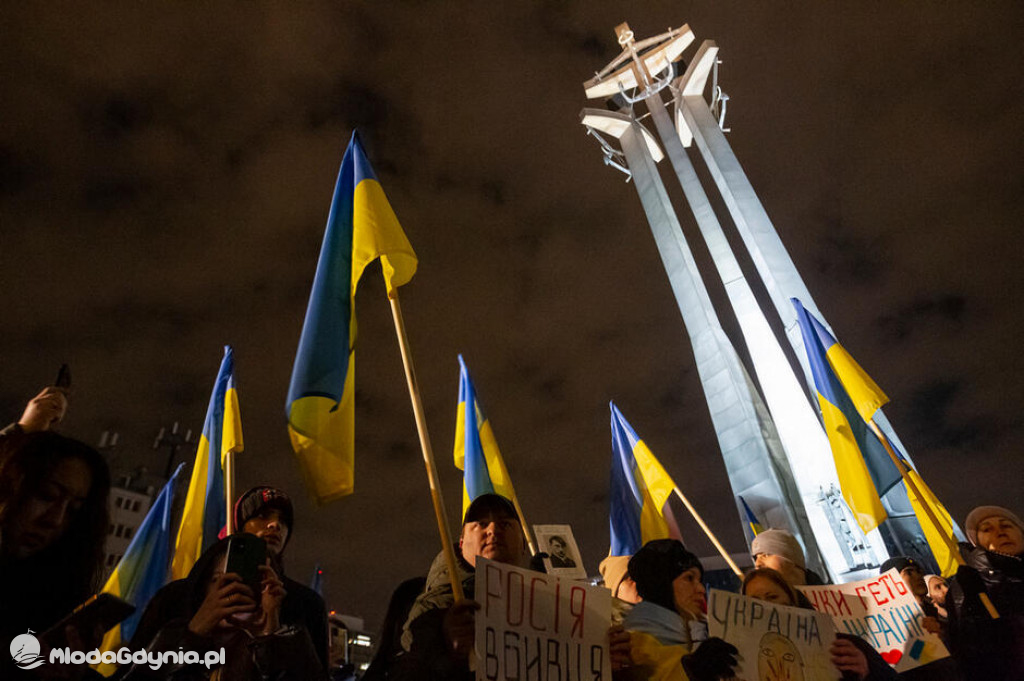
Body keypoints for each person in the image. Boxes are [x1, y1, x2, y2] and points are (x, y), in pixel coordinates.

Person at [394, 493, 631, 680]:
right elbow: (409, 671)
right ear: (462, 542)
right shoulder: (436, 606)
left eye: (505, 524)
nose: (494, 529)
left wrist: (603, 661)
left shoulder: (554, 606)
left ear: (522, 545)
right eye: (481, 523)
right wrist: (448, 650)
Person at [130, 486, 329, 674]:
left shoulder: (305, 604)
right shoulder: (179, 596)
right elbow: (133, 671)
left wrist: (273, 640)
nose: (276, 525)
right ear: (238, 524)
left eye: (283, 521)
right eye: (262, 516)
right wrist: (193, 632)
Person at [121, 537, 324, 680]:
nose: (236, 590)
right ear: (202, 587)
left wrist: (271, 637)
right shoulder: (172, 635)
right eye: (221, 581)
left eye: (253, 582)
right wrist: (193, 633)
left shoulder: (283, 647)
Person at [742, 568, 898, 680]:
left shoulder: (843, 647)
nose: (765, 606)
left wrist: (868, 673)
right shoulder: (742, 660)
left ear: (791, 600)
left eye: (772, 597)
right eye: (754, 602)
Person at [620, 539, 738, 681]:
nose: (701, 589)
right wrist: (693, 669)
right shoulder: (634, 643)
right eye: (689, 578)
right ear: (662, 585)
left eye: (699, 580)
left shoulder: (696, 636)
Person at [944, 505, 1024, 681]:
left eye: (1007, 526)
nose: (1000, 532)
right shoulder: (967, 586)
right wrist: (974, 610)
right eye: (987, 529)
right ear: (976, 542)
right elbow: (970, 656)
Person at [750, 528, 823, 587]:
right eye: (756, 558)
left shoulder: (832, 599)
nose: (757, 564)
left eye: (765, 555)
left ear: (790, 559)